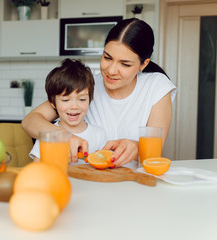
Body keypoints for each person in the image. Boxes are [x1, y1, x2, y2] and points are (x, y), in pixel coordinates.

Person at [22, 18, 177, 167]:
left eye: (125, 64)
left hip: (134, 182)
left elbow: (154, 153)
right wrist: (64, 136)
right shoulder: (87, 86)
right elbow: (30, 121)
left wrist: (137, 147)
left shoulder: (157, 86)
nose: (111, 70)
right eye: (107, 57)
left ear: (143, 64)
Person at [29, 58, 107, 164]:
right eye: (66, 100)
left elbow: (103, 167)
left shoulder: (99, 135)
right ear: (53, 103)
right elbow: (37, 168)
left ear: (90, 99)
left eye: (82, 99)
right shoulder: (48, 134)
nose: (74, 106)